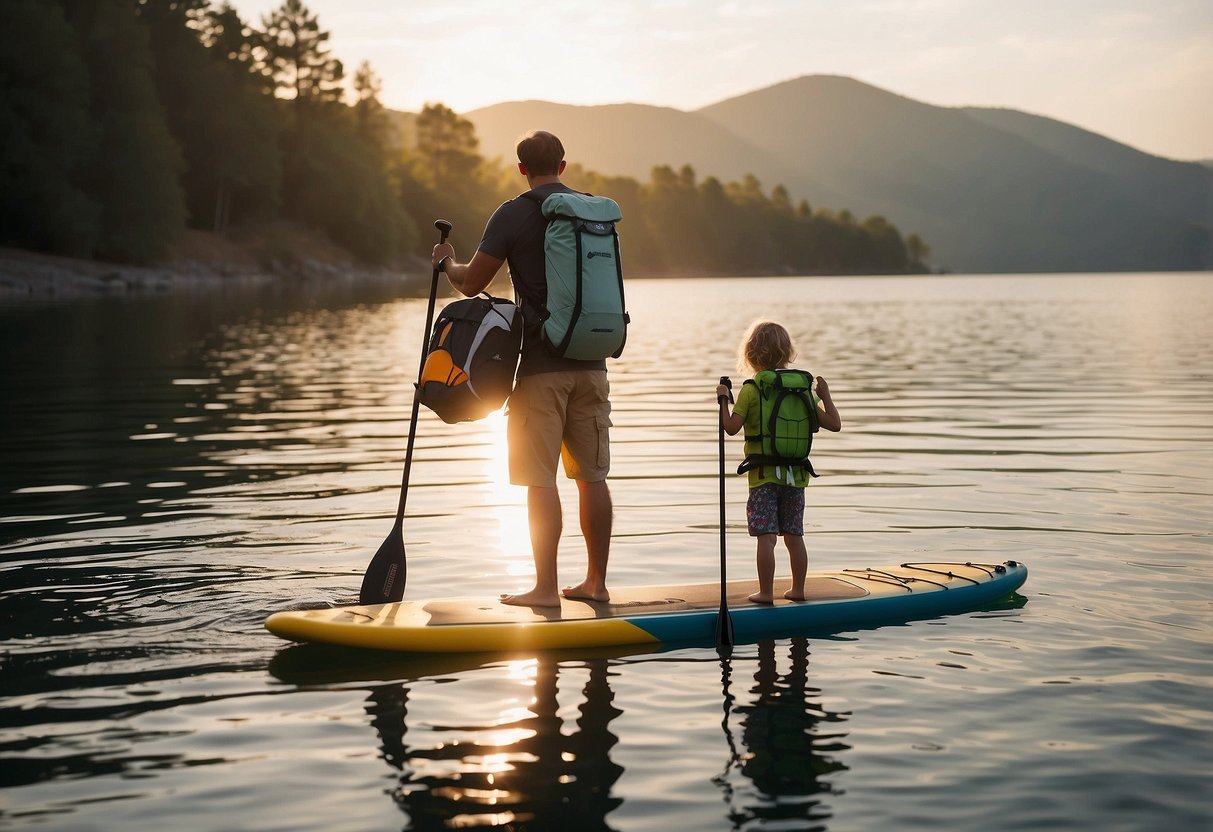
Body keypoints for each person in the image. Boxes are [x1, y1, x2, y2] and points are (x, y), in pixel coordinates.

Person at [431, 130, 614, 608]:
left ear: (520, 169)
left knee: (540, 479)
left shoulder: (513, 212)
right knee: (592, 477)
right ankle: (596, 582)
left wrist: (446, 264)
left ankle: (547, 590)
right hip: (593, 364)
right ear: (564, 164)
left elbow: (472, 284)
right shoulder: (591, 212)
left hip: (539, 369)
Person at [716, 321, 842, 603]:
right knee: (794, 536)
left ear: (750, 355)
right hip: (796, 478)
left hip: (762, 478)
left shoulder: (751, 390)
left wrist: (723, 400)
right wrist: (826, 397)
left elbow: (731, 427)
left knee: (767, 538)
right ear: (787, 353)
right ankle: (798, 590)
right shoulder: (801, 392)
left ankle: (765, 593)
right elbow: (834, 424)